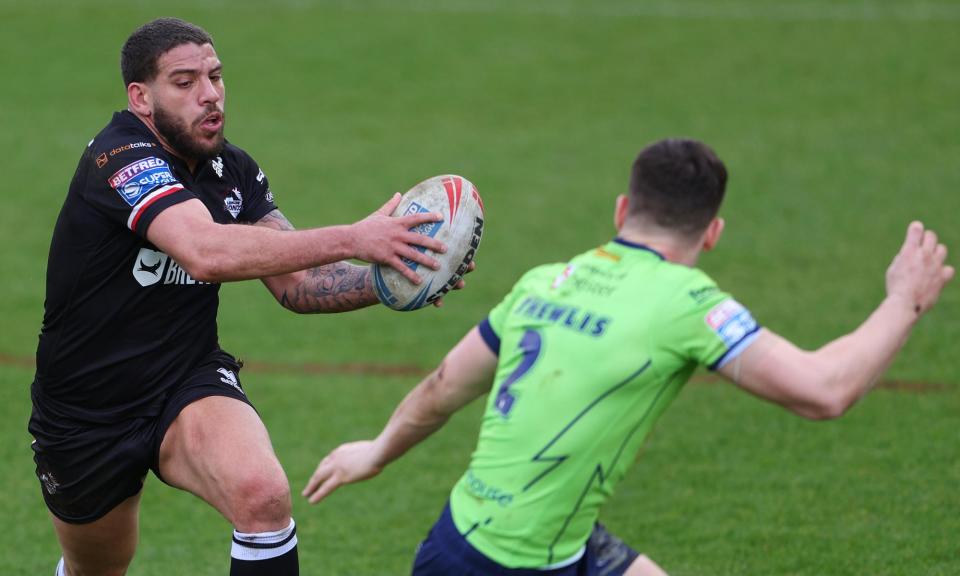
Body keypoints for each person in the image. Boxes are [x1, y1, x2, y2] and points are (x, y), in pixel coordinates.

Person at [303, 138, 954, 576]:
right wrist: (905, 300)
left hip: (481, 534)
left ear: (622, 209)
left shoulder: (546, 279)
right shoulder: (687, 304)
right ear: (713, 231)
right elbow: (825, 390)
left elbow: (446, 384)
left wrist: (376, 449)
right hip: (512, 561)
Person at [29, 17, 459, 576]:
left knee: (262, 495)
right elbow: (203, 250)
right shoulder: (119, 159)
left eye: (215, 76)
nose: (209, 95)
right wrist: (356, 236)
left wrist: (397, 274)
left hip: (184, 381)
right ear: (141, 97)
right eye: (184, 83)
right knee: (98, 568)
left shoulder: (234, 171)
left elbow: (300, 285)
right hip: (85, 411)